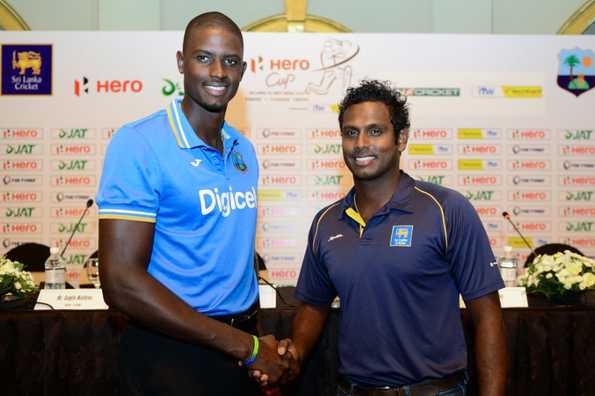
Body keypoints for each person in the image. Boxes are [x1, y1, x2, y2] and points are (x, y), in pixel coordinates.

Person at [275, 80, 507, 395]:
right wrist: (296, 353)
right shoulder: (326, 222)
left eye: (375, 131)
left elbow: (487, 315)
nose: (360, 144)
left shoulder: (447, 209)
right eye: (350, 132)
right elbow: (314, 305)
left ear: (401, 139)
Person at [96, 12, 287, 395]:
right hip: (172, 354)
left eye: (231, 61)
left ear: (243, 71)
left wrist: (257, 339)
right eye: (204, 57)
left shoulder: (243, 150)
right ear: (182, 62)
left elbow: (234, 261)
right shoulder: (138, 143)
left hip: (241, 350)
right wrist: (245, 347)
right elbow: (120, 283)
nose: (218, 71)